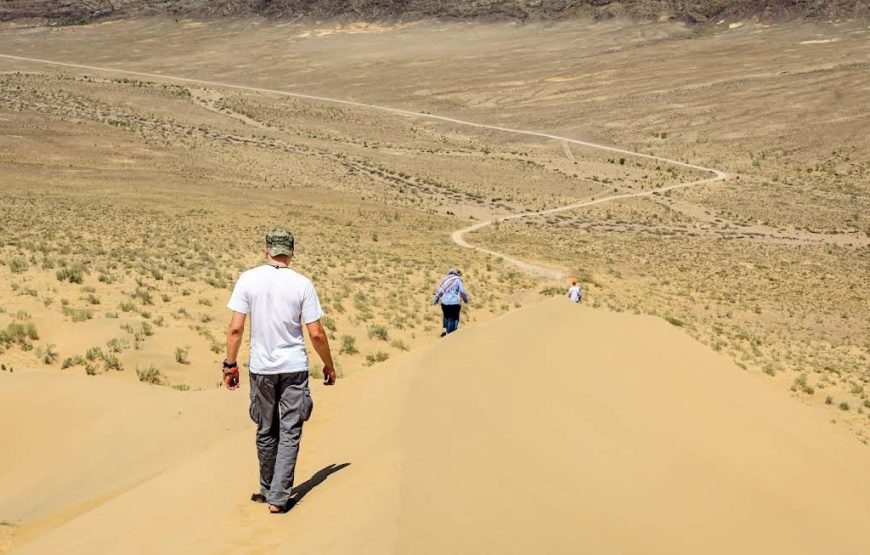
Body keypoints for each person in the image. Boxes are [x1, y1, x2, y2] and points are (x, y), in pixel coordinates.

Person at [223, 227, 336, 514]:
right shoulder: (302, 284)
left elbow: (235, 328)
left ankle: (267, 487)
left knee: (265, 428)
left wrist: (230, 364)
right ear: (292, 252)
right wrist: (328, 365)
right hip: (294, 368)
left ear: (267, 251)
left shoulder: (248, 279)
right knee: (290, 429)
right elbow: (317, 334)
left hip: (261, 368)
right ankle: (278, 496)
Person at [433, 268, 469, 336]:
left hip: (444, 302)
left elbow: (440, 290)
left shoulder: (445, 279)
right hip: (454, 303)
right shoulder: (458, 280)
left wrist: (436, 298)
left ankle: (445, 329)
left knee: (446, 315)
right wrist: (465, 299)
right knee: (454, 318)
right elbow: (462, 291)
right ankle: (449, 335)